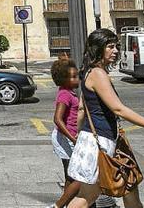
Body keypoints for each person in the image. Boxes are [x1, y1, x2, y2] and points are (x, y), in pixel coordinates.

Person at [67, 29, 144, 208]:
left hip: (104, 140)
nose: (115, 51)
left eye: (116, 46)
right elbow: (118, 108)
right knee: (87, 197)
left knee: (130, 184)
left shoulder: (90, 72)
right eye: (110, 46)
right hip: (100, 143)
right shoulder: (98, 74)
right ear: (98, 48)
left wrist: (79, 136)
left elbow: (82, 107)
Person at [49, 55, 82, 207]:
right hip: (66, 138)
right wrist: (73, 139)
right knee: (77, 176)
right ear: (64, 79)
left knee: (70, 176)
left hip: (70, 136)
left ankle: (67, 204)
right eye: (73, 77)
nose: (77, 79)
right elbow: (57, 119)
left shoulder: (69, 92)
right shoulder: (64, 94)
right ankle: (59, 205)